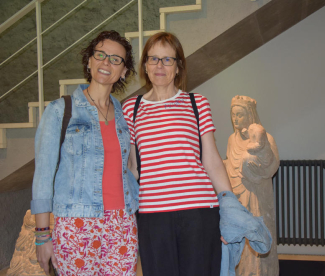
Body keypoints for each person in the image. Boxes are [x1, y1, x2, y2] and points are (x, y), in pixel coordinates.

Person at [122, 32, 232, 276]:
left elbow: (212, 161)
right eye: (153, 59)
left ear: (178, 67)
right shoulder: (131, 108)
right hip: (152, 216)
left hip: (199, 211)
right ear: (145, 66)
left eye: (167, 60)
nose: (159, 66)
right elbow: (132, 168)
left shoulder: (197, 103)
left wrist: (229, 205)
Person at [31, 30, 139, 276]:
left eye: (115, 59)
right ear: (89, 61)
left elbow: (128, 169)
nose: (106, 63)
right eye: (100, 55)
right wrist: (42, 235)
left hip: (122, 224)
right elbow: (43, 176)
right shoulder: (60, 111)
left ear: (123, 71)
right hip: (76, 224)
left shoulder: (124, 113)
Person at [223, 95, 279, 276]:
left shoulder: (265, 137)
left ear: (250, 115)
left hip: (257, 195)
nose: (236, 119)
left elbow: (273, 165)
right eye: (233, 115)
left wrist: (257, 169)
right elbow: (229, 164)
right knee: (238, 240)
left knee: (257, 236)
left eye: (240, 115)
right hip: (237, 196)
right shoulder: (232, 140)